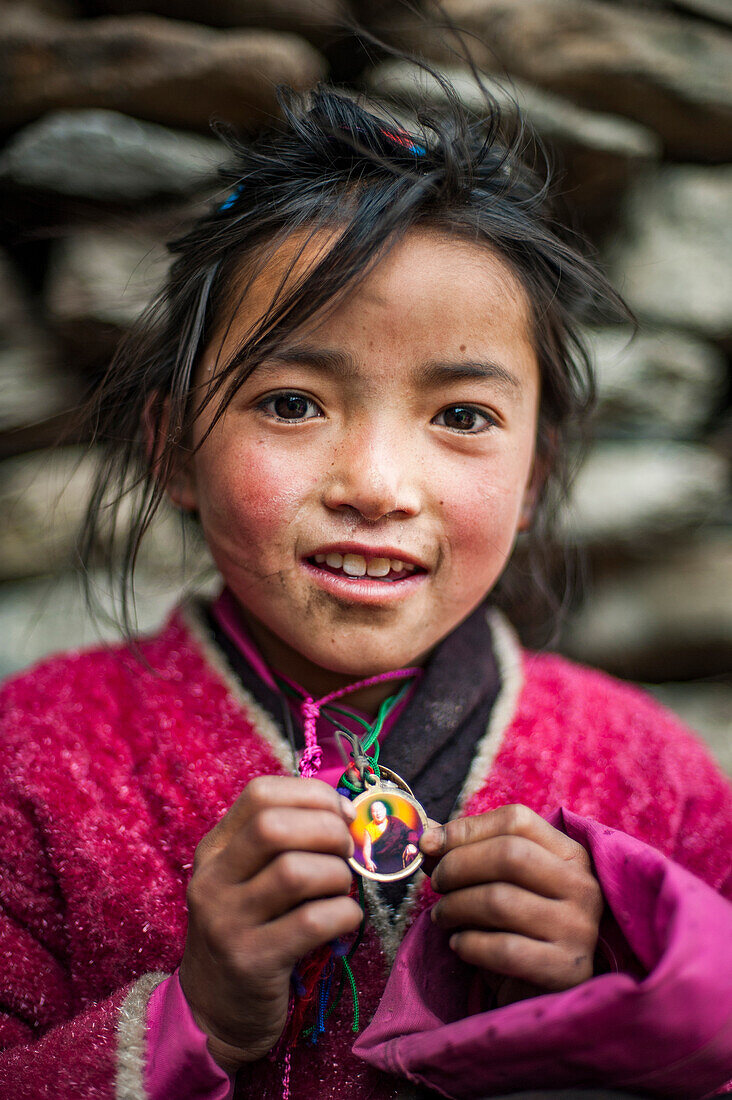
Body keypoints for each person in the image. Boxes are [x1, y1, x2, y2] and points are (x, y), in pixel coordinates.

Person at [0, 82, 729, 1100]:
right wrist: (192, 1015)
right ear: (171, 449)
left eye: (463, 414)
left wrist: (619, 981)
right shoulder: (33, 759)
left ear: (534, 470)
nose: (378, 486)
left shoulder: (656, 774)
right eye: (292, 402)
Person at [361, 800, 419, 875]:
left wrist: (412, 845)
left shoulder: (394, 821)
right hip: (383, 862)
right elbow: (367, 847)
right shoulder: (369, 829)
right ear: (372, 814)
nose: (378, 813)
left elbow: (409, 832)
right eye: (374, 811)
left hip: (401, 858)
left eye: (380, 810)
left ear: (385, 810)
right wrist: (368, 861)